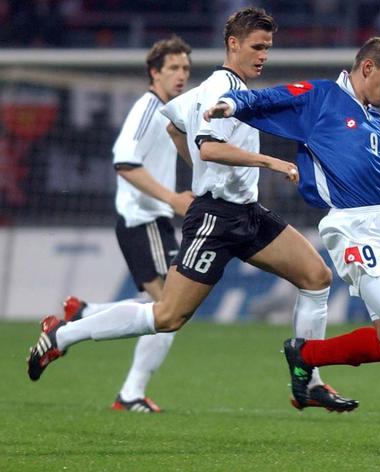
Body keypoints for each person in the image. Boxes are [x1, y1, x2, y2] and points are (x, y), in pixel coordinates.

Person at [26, 7, 357, 414]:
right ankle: (62, 336)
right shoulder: (220, 88)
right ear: (233, 44)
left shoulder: (224, 89)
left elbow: (175, 126)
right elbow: (208, 146)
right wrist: (269, 163)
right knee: (167, 316)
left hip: (246, 212)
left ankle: (309, 382)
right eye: (257, 46)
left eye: (268, 48)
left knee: (316, 276)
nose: (263, 55)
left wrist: (204, 172)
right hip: (216, 219)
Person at [202, 37, 380, 449]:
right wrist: (229, 105)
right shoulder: (321, 99)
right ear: (367, 68)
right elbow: (270, 99)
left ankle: (305, 355)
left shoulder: (377, 124)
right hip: (351, 229)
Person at [59, 35, 194, 413]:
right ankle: (130, 392)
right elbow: (124, 162)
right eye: (173, 68)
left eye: (185, 68)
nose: (181, 75)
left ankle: (85, 313)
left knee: (166, 310)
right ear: (155, 72)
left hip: (155, 222)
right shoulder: (148, 109)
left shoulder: (169, 111)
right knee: (170, 311)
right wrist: (172, 198)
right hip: (143, 221)